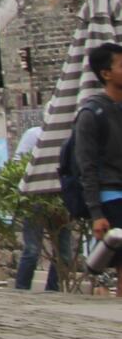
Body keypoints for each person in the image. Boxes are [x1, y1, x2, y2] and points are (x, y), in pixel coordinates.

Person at [76, 42, 122, 290]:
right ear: (106, 74)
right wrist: (96, 213)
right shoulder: (92, 113)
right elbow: (87, 166)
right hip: (112, 197)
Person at [11, 125, 67, 291]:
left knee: (64, 252)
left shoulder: (69, 134)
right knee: (32, 250)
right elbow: (18, 162)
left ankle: (53, 290)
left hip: (60, 199)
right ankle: (21, 290)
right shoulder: (34, 134)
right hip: (35, 198)